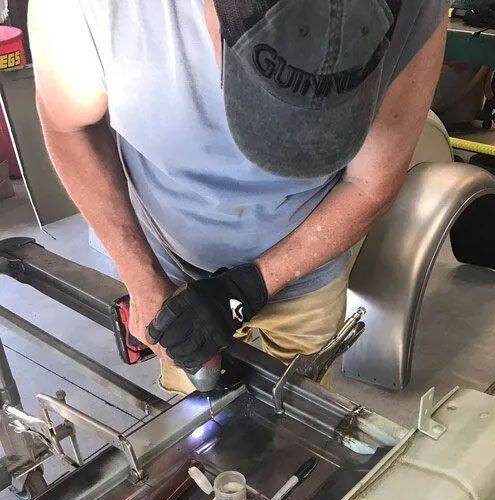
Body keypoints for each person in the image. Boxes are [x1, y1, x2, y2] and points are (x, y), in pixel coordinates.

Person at [29, 0, 447, 393]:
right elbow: (69, 128)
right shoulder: (93, 9)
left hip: (310, 257)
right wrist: (143, 280)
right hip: (169, 266)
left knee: (303, 413)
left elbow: (371, 184)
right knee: (198, 417)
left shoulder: (418, 6)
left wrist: (246, 287)